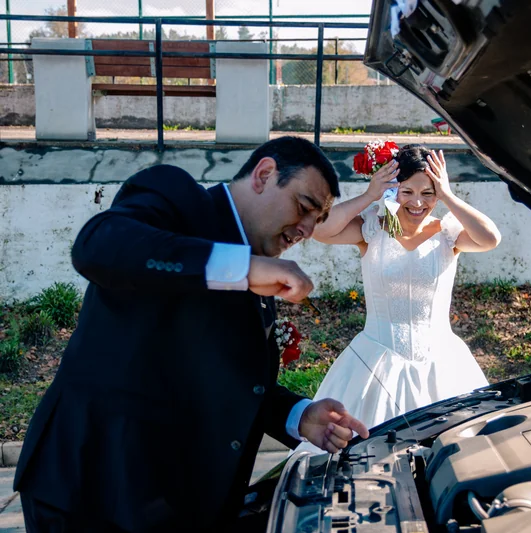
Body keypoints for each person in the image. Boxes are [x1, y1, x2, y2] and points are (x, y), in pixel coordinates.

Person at [13, 136, 369, 533]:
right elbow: (97, 245)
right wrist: (242, 268)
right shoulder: (176, 197)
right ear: (264, 174)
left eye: (317, 220)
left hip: (177, 506)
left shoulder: (258, 269)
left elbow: (230, 380)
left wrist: (299, 417)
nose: (305, 229)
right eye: (304, 207)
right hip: (94, 491)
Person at [295, 144, 501, 454]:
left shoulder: (448, 233)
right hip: (375, 361)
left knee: (456, 455)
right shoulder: (372, 228)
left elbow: (490, 238)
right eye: (407, 192)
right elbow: (320, 230)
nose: (417, 202)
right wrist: (369, 195)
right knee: (362, 454)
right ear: (394, 189)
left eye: (427, 193)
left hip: (442, 363)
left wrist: (446, 195)